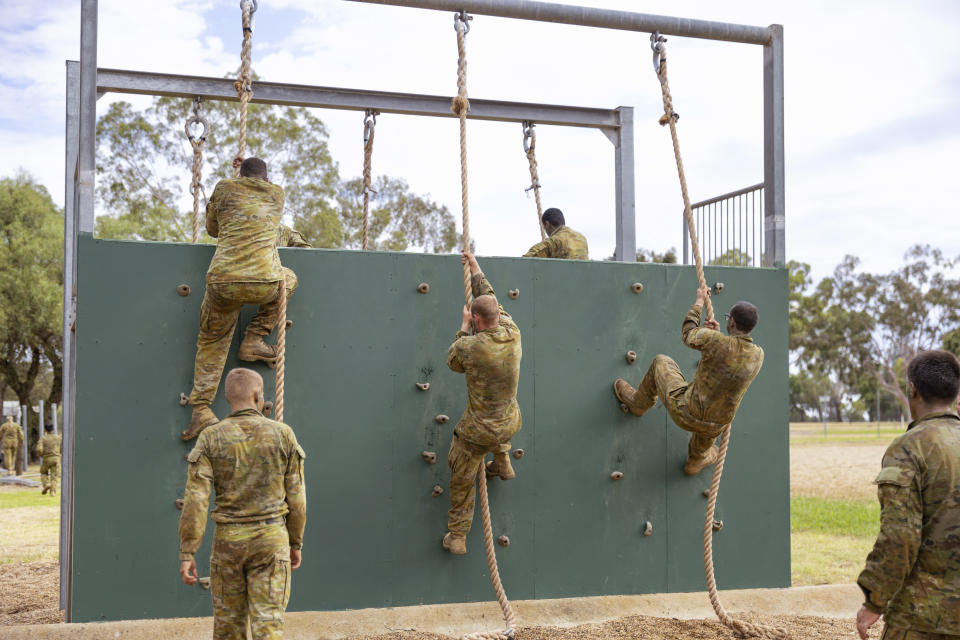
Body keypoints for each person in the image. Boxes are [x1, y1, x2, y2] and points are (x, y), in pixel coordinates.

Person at [179, 367, 306, 640]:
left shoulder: (210, 437)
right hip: (271, 542)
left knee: (228, 629)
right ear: (258, 395)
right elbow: (297, 499)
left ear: (228, 398)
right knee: (268, 626)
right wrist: (295, 543)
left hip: (228, 544)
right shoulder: (283, 435)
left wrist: (188, 552)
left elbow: (196, 500)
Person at [184, 157, 299, 440]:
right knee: (290, 278)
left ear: (239, 174)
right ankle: (254, 339)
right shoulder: (277, 193)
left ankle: (200, 410)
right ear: (267, 179)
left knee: (212, 339)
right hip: (265, 282)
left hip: (224, 281)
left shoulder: (224, 187)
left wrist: (230, 181)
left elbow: (213, 229)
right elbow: (255, 196)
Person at [855, 350, 960, 640]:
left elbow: (900, 537)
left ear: (912, 389)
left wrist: (875, 600)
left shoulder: (909, 448)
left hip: (925, 618)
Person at [613, 287, 763, 476]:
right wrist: (718, 336)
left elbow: (688, 333)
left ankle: (638, 404)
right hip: (715, 426)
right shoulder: (758, 355)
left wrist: (699, 301)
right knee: (704, 440)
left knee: (661, 362)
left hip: (686, 411)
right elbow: (731, 358)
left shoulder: (715, 341)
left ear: (732, 321)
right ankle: (695, 461)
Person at [443, 252, 522, 555]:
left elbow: (453, 361)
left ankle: (458, 536)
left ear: (477, 320)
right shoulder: (513, 332)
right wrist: (475, 267)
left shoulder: (472, 347)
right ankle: (502, 461)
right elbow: (490, 297)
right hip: (510, 423)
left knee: (461, 474)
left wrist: (463, 326)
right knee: (504, 416)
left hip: (478, 432)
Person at [522, 208, 589, 260]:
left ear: (547, 224)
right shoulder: (582, 238)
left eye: (544, 227)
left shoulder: (553, 242)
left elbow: (525, 261)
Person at [36, 423, 61, 496]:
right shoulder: (58, 438)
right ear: (53, 429)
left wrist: (42, 455)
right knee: (54, 475)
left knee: (43, 473)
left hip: (46, 459)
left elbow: (39, 449)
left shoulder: (43, 438)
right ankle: (52, 492)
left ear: (45, 430)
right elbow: (62, 448)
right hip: (56, 459)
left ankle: (46, 484)